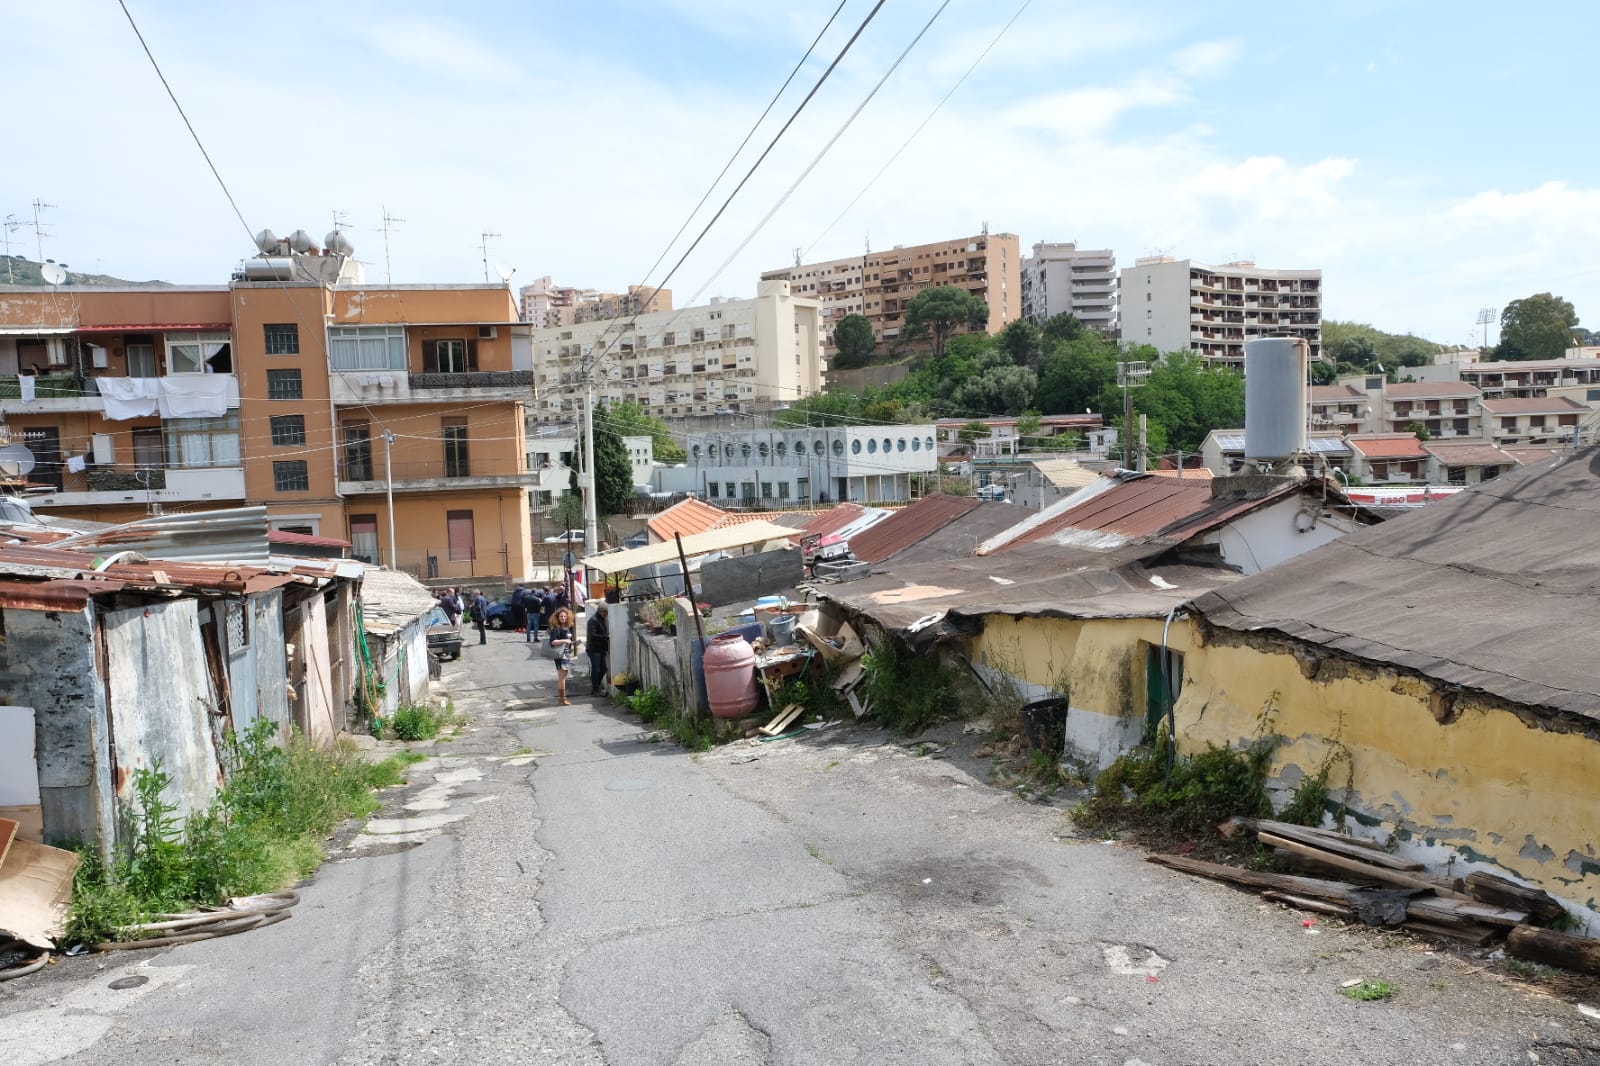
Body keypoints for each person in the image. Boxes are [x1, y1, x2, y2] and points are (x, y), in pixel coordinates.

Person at [547, 606, 576, 705]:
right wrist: (565, 640)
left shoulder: (567, 627)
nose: (563, 618)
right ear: (557, 617)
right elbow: (552, 642)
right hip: (560, 654)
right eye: (561, 616)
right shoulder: (556, 628)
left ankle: (562, 698)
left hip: (566, 653)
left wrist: (572, 642)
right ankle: (562, 699)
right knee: (562, 677)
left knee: (563, 675)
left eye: (565, 616)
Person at [586, 604, 610, 697]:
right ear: (601, 612)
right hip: (594, 649)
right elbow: (593, 635)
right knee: (596, 669)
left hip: (600, 648)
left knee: (603, 668)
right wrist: (606, 637)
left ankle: (596, 687)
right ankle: (595, 689)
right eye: (606, 613)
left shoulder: (600, 618)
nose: (606, 615)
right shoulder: (593, 620)